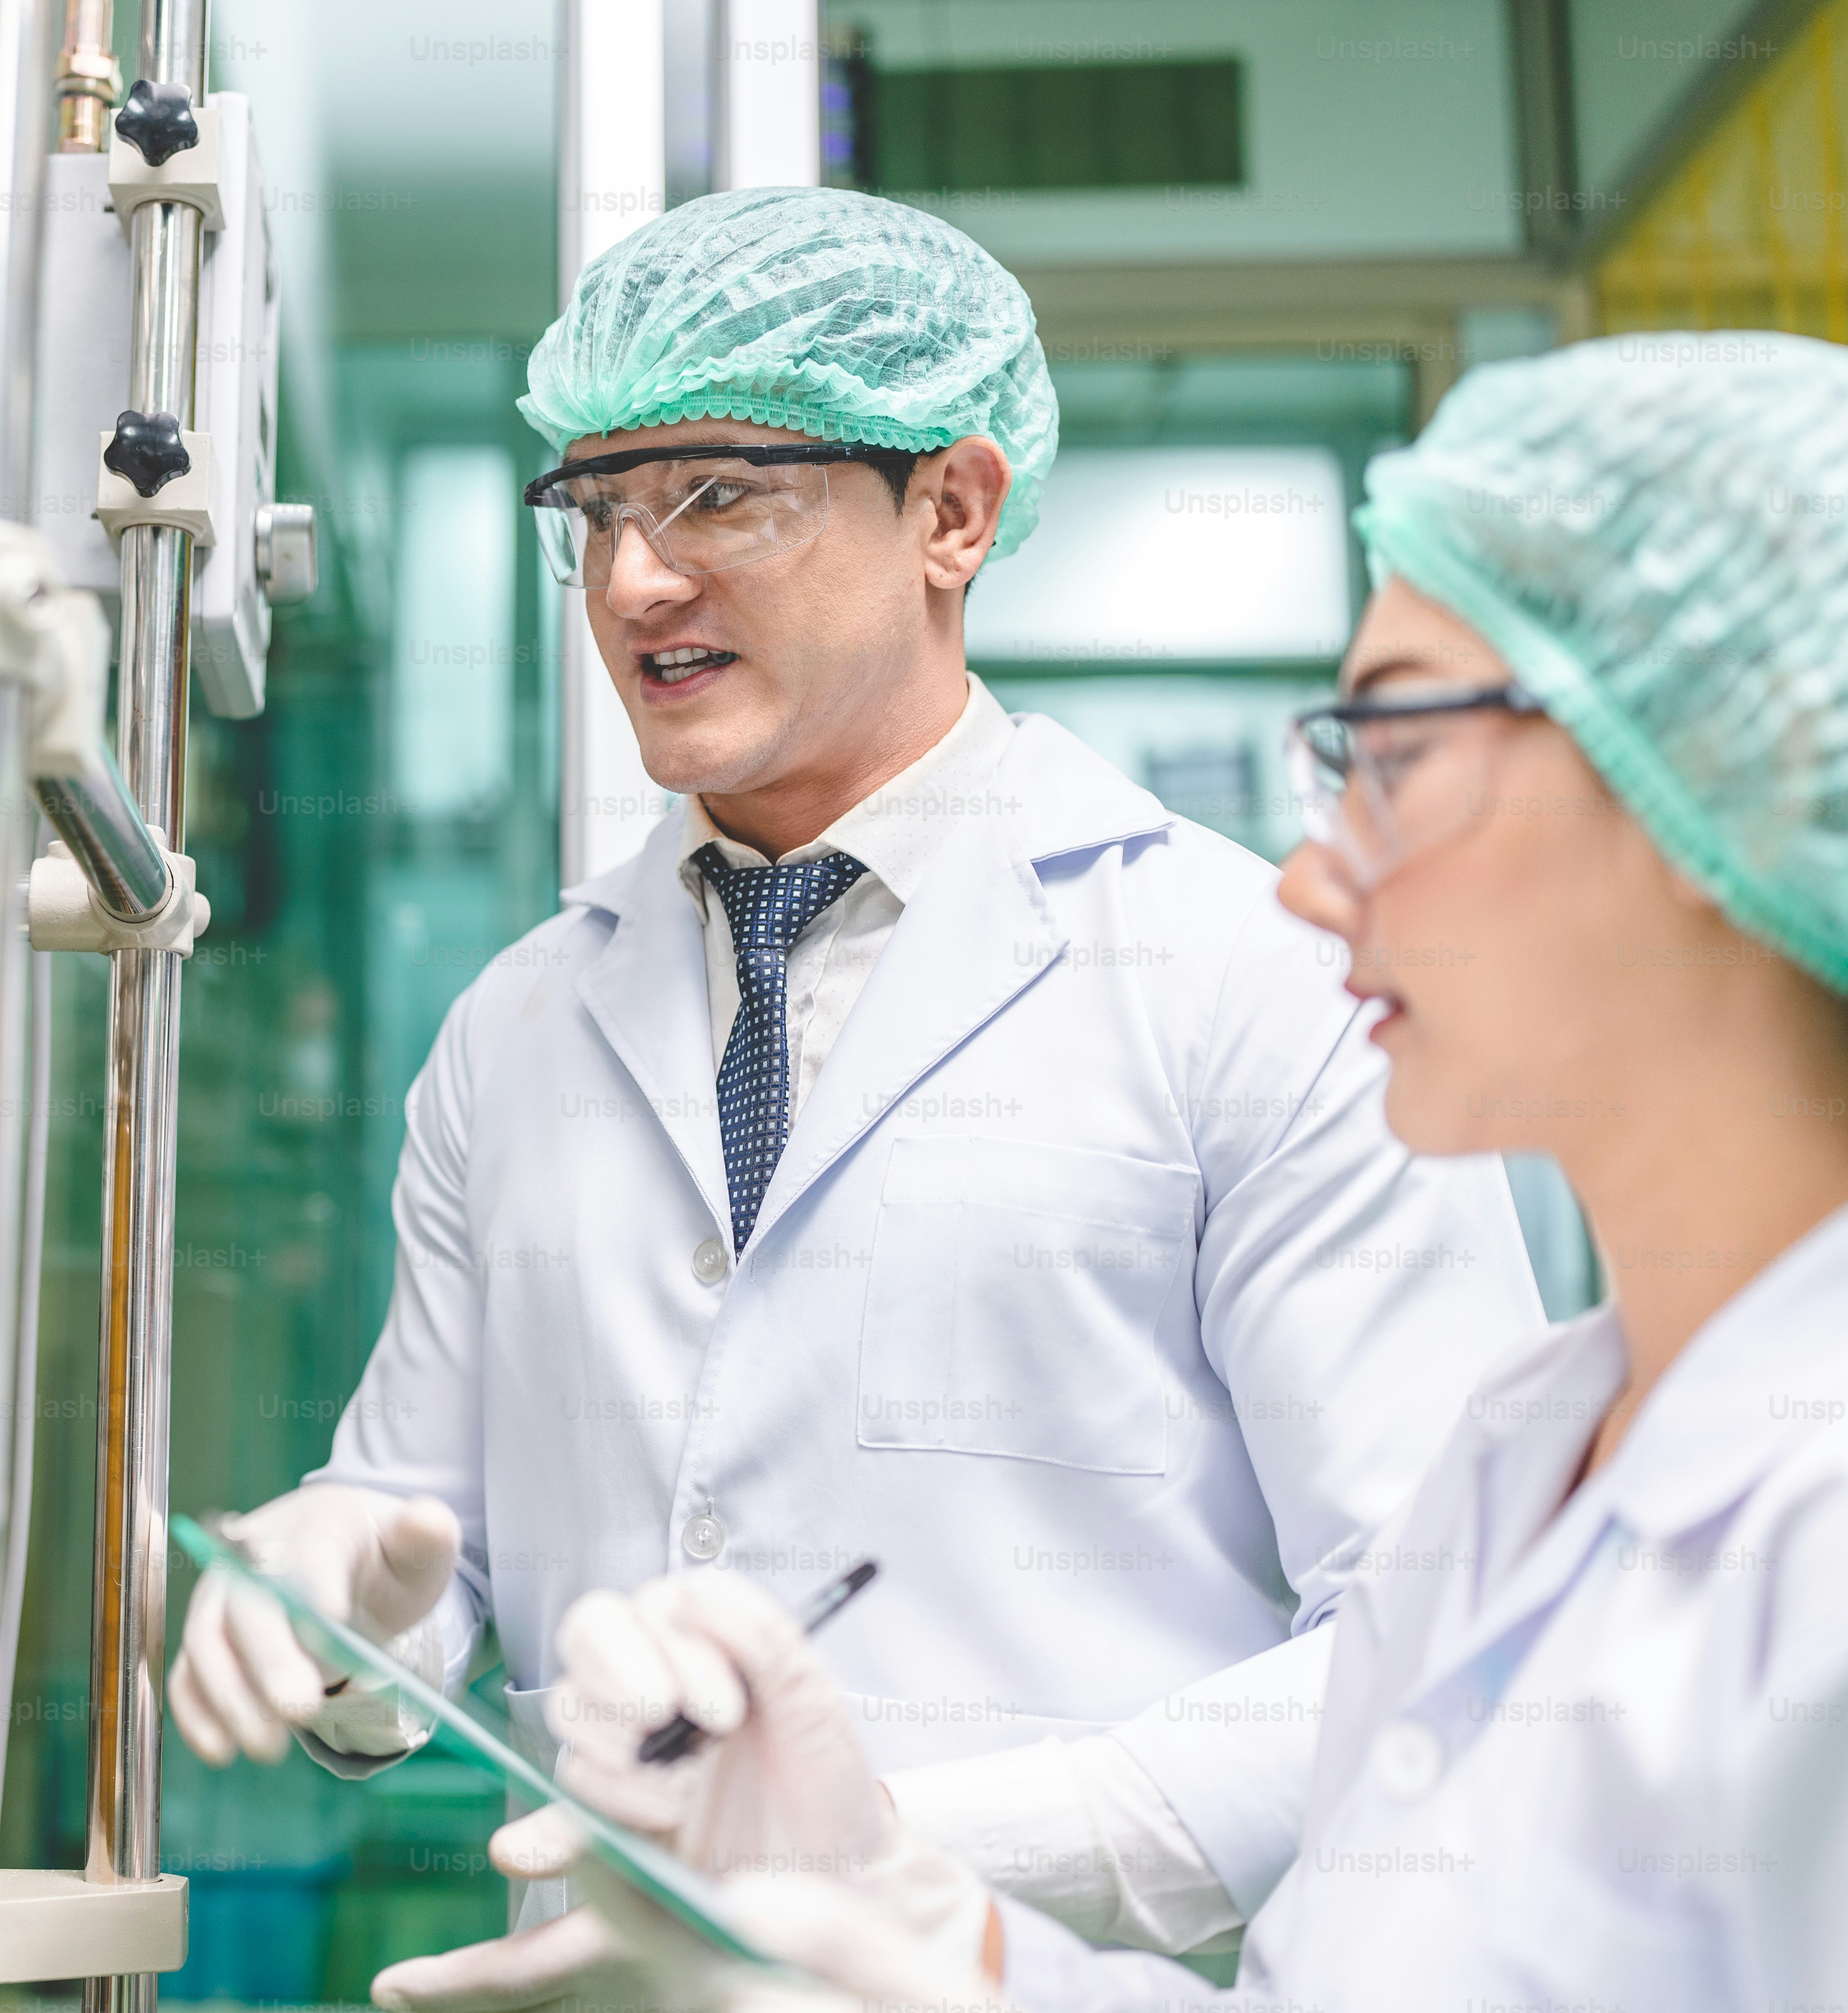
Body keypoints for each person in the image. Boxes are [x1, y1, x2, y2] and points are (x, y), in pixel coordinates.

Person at [167, 185, 1548, 1980]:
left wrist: (905, 1861)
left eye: (719, 493)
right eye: (593, 508)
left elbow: (1457, 1633)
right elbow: (429, 1557)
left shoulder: (1258, 985)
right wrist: (344, 1620)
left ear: (953, 512)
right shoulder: (514, 1032)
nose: (635, 580)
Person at [520, 330, 1848, 2013]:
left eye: (1399, 757)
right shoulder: (1528, 1450)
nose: (1308, 885)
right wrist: (942, 1936)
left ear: (1727, 785)